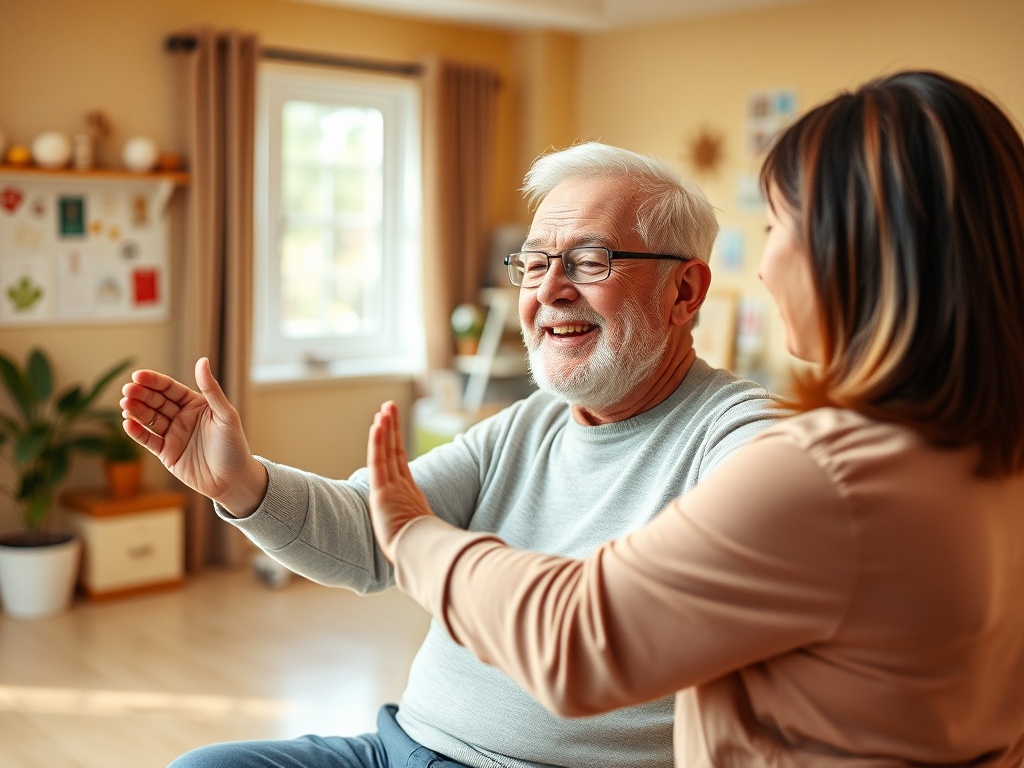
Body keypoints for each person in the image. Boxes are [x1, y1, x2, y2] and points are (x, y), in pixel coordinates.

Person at [365, 71, 1024, 766]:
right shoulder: (987, 459)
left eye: (777, 226)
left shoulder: (829, 477)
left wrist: (413, 533)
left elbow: (574, 640)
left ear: (857, 250)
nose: (765, 269)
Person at [120, 142, 779, 768]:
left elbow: (602, 626)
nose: (548, 291)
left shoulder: (743, 440)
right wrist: (242, 482)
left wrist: (422, 540)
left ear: (685, 293)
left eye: (588, 261)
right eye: (535, 262)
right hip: (401, 744)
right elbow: (373, 537)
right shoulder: (526, 425)